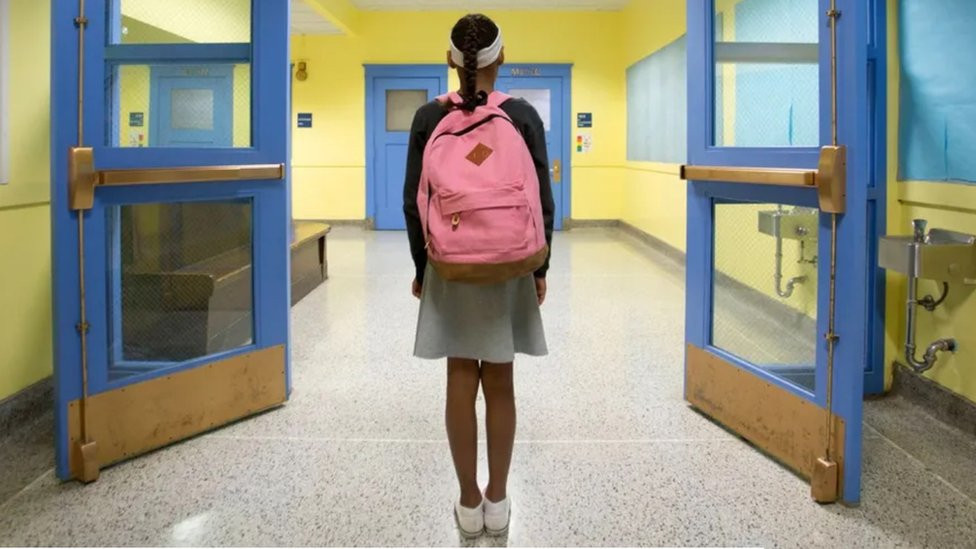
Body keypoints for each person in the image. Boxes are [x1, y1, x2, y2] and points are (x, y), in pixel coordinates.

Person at [402, 13, 555, 539]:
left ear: (451, 61)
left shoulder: (427, 117)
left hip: (451, 266)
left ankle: (467, 504)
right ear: (502, 59)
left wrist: (425, 271)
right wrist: (540, 268)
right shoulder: (523, 115)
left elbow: (412, 202)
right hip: (510, 263)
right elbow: (542, 199)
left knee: (459, 380)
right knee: (502, 382)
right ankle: (498, 498)